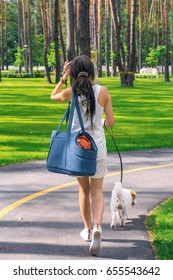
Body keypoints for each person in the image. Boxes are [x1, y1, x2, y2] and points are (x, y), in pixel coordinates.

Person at [51, 55, 114, 256]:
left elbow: (53, 96)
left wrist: (62, 77)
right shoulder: (103, 91)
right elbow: (110, 122)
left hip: (78, 148)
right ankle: (98, 228)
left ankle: (87, 230)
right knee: (98, 191)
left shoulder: (71, 92)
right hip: (98, 148)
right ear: (92, 71)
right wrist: (102, 122)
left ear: (74, 73)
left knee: (83, 190)